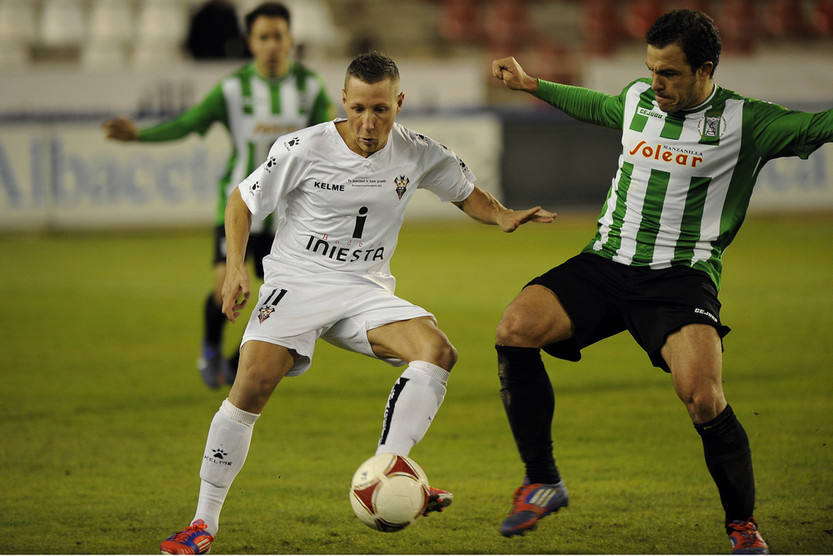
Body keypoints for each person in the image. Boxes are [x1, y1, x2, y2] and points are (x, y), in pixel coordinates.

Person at [158, 51, 555, 554]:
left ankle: (389, 471)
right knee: (250, 389)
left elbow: (465, 192)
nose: (369, 123)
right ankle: (202, 524)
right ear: (343, 101)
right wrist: (237, 266)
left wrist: (500, 216)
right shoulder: (303, 148)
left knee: (437, 352)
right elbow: (242, 200)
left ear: (399, 103)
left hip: (364, 289)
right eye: (360, 109)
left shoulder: (418, 151)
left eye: (382, 110)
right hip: (298, 283)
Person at [491, 8, 832, 554]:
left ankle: (741, 524)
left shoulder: (750, 122)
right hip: (605, 262)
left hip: (680, 277)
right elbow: (599, 106)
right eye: (651, 70)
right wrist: (532, 84)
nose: (657, 84)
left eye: (669, 74)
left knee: (702, 396)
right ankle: (543, 481)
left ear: (706, 68)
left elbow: (819, 126)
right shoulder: (637, 99)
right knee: (515, 328)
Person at [103, 2, 334, 389]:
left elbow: (331, 138)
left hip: (288, 217)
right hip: (239, 208)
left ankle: (234, 360)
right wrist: (139, 135)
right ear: (251, 42)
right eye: (264, 37)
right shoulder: (232, 90)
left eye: (279, 36)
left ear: (290, 39)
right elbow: (188, 124)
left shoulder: (309, 88)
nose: (273, 45)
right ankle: (210, 348)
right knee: (223, 287)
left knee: (289, 300)